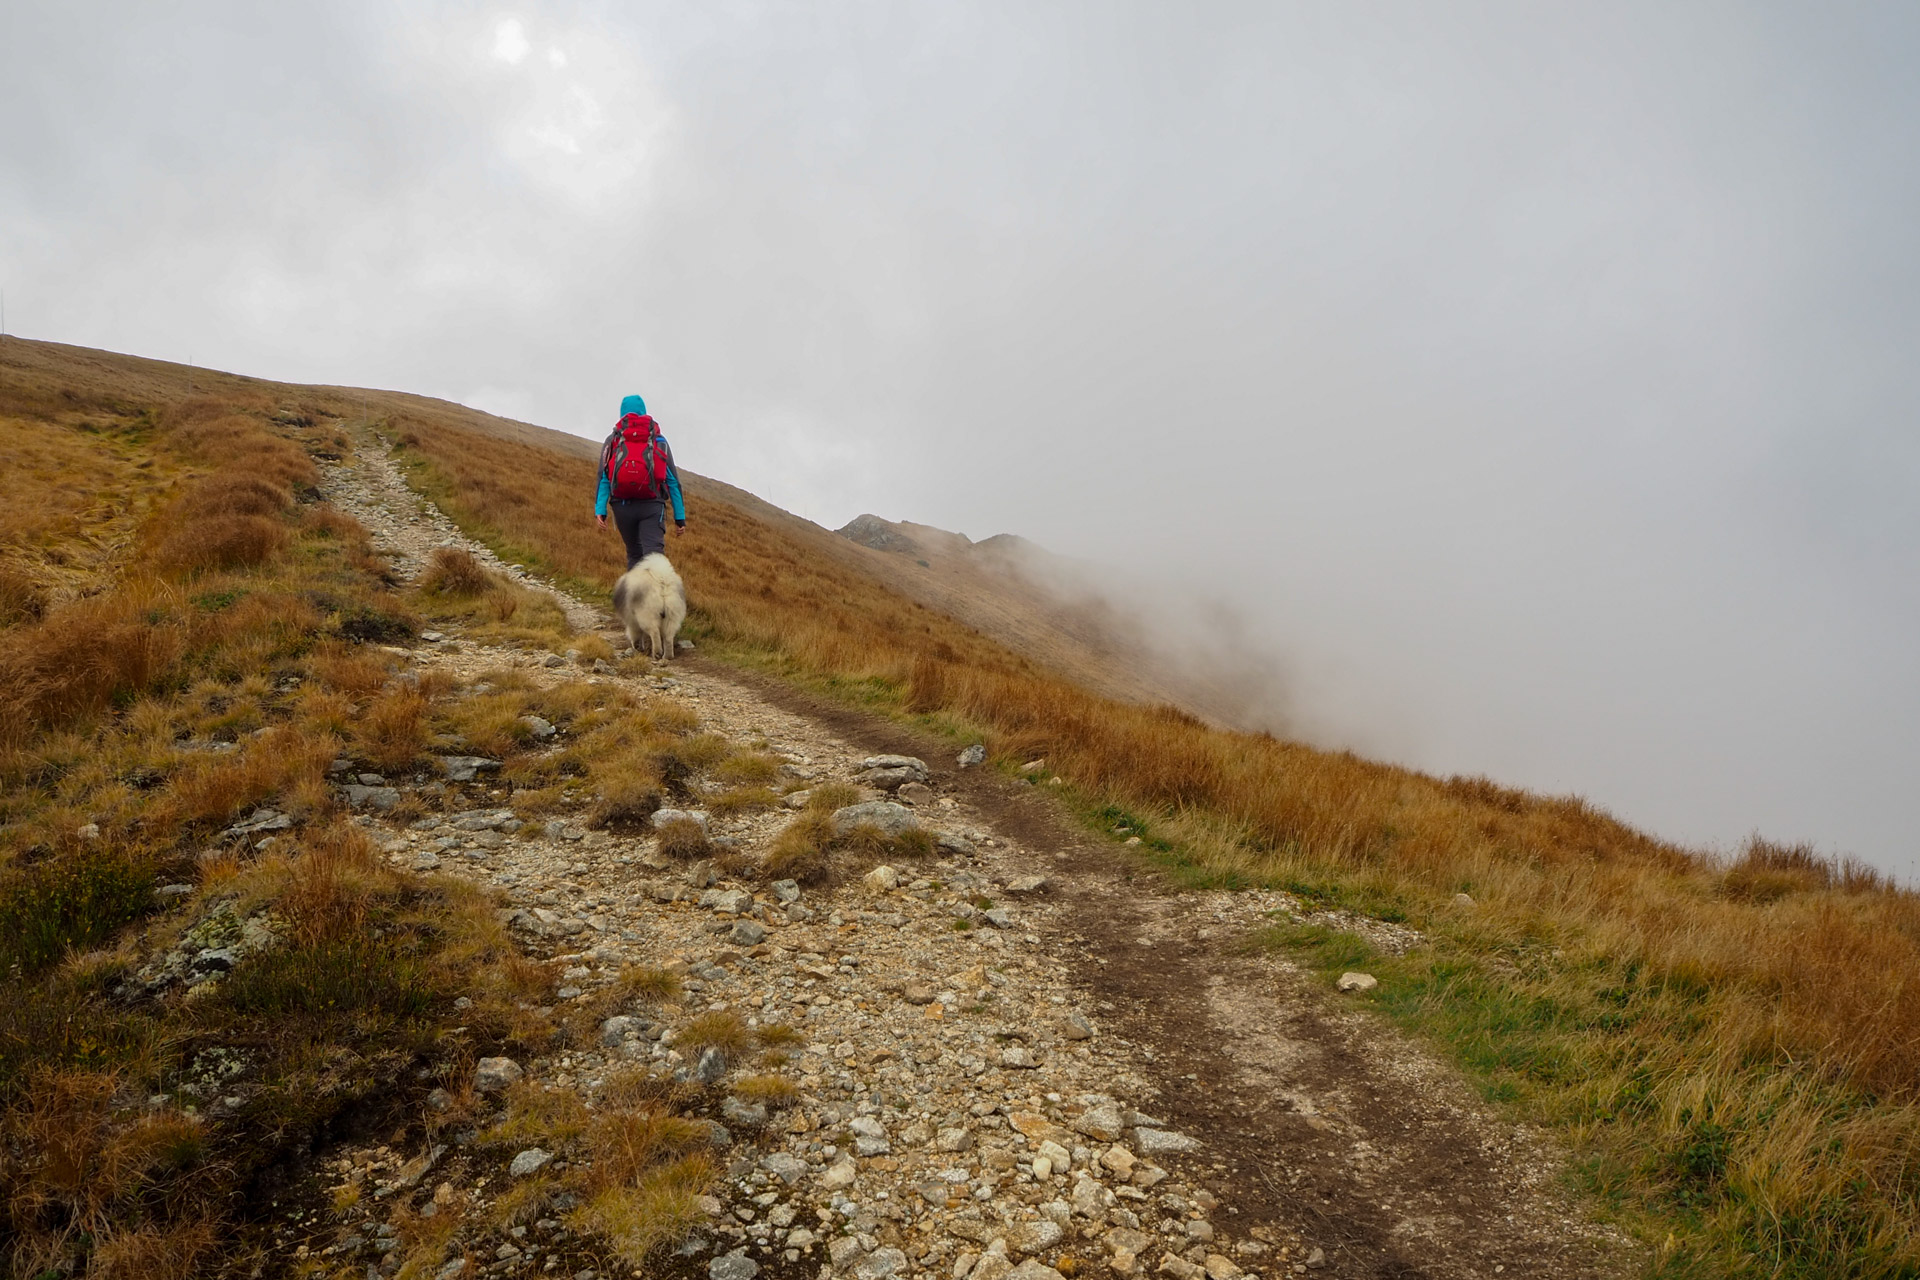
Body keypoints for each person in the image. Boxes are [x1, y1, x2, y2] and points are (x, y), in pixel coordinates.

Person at [595, 393, 687, 568]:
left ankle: (635, 595)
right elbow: (673, 481)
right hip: (652, 506)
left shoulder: (613, 439)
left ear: (622, 414)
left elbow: (604, 476)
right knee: (654, 558)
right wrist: (679, 518)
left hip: (622, 506)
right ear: (643, 412)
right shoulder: (658, 439)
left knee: (634, 555)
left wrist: (600, 509)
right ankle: (656, 594)